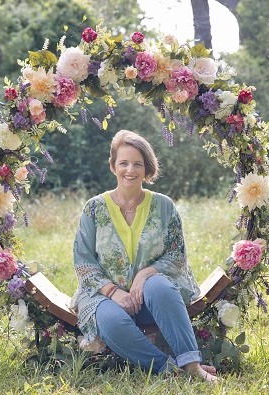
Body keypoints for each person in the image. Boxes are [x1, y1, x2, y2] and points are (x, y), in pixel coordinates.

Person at [70, 130, 218, 381]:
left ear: (147, 168)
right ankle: (170, 368)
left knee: (159, 286)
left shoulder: (164, 206)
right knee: (111, 322)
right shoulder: (94, 208)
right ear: (112, 166)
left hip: (153, 301)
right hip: (104, 297)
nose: (130, 170)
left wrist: (145, 274)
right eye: (124, 163)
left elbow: (176, 256)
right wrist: (114, 292)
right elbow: (83, 261)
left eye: (138, 163)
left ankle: (192, 365)